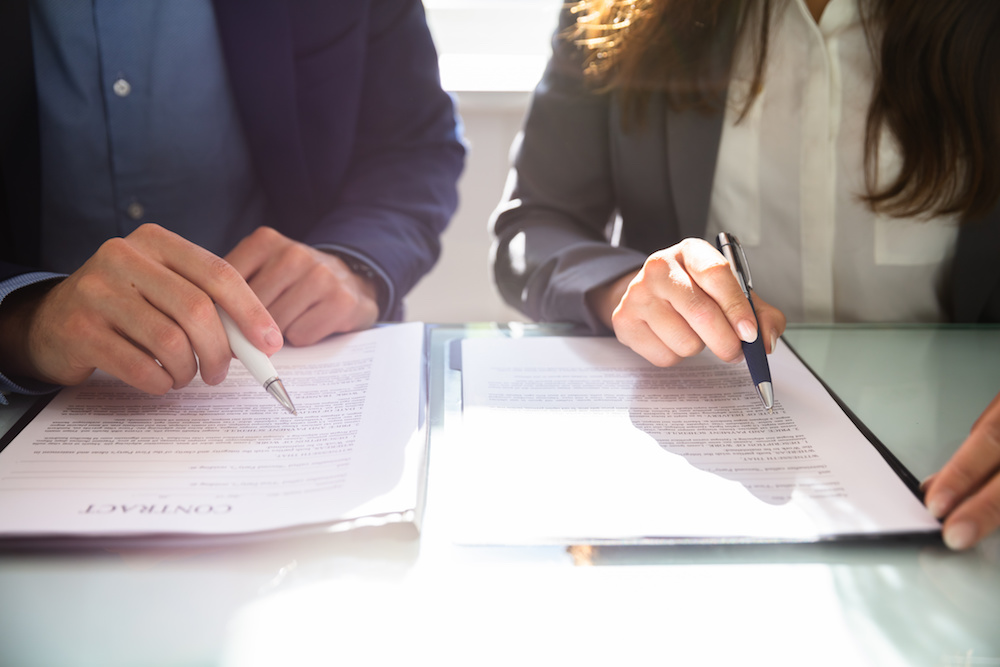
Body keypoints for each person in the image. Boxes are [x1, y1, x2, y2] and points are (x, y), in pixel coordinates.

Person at [490, 0, 1000, 550]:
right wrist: (628, 287)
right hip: (706, 483)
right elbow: (534, 224)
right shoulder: (621, 12)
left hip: (959, 471)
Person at [0, 0, 464, 399]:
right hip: (26, 394)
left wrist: (353, 262)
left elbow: (414, 144)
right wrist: (22, 319)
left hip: (298, 352)